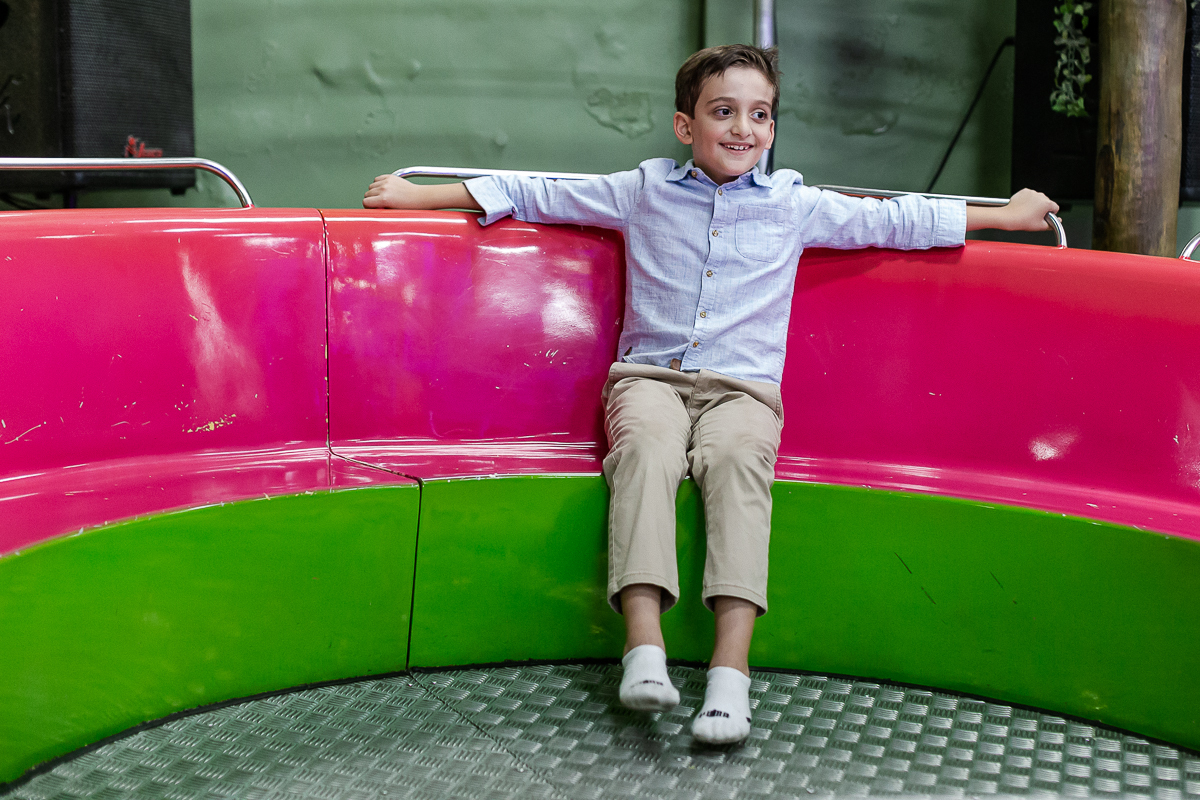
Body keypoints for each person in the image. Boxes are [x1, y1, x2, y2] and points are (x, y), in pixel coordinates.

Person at [363, 44, 1058, 745]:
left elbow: (898, 220)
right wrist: (419, 196)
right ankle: (643, 648)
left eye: (759, 115)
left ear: (774, 128)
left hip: (743, 393)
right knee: (643, 454)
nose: (742, 129)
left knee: (736, 466)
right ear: (684, 126)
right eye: (723, 112)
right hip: (650, 380)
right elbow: (536, 189)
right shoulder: (642, 190)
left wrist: (1004, 213)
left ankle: (731, 675)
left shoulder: (795, 205)